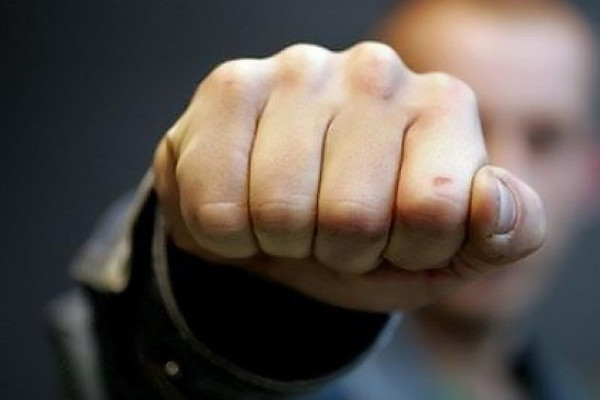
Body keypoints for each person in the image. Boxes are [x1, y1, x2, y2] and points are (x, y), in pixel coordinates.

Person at [48, 0, 599, 399]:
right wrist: (224, 295)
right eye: (462, 126)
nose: (503, 177)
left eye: (546, 138)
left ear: (590, 174)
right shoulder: (288, 373)